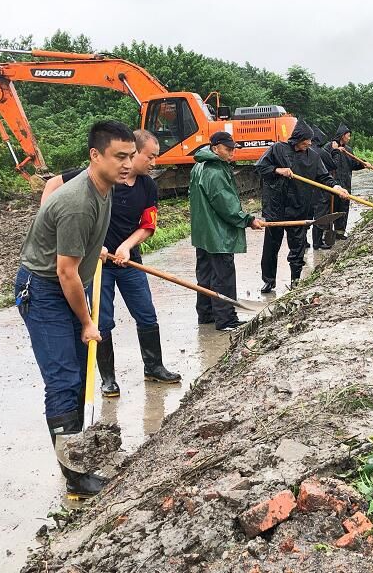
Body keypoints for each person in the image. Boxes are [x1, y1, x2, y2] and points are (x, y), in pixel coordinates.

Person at [15, 120, 135, 499]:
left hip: (68, 284)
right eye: (120, 156)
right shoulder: (77, 203)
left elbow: (74, 256)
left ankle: (77, 456)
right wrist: (87, 322)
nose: (127, 164)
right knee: (65, 379)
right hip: (47, 290)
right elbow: (65, 272)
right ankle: (75, 479)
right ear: (94, 155)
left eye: (131, 156)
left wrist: (90, 249)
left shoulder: (104, 188)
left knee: (79, 376)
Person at [41, 130, 181, 397]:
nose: (153, 163)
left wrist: (126, 246)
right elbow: (52, 185)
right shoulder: (99, 176)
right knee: (101, 320)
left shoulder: (147, 186)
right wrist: (88, 244)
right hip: (97, 266)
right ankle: (108, 379)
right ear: (133, 153)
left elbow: (148, 226)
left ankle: (154, 367)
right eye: (149, 157)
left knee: (146, 314)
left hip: (129, 263)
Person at [256, 119, 350, 293]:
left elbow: (324, 177)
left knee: (298, 245)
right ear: (297, 139)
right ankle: (269, 281)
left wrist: (336, 187)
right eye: (306, 141)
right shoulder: (277, 149)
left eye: (310, 141)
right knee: (271, 247)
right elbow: (260, 167)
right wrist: (278, 170)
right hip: (276, 208)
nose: (308, 144)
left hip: (299, 207)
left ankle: (295, 280)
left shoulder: (313, 156)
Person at [189, 131, 264, 331]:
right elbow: (226, 205)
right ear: (215, 149)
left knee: (204, 275)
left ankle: (206, 315)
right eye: (228, 149)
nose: (233, 153)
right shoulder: (214, 171)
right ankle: (226, 319)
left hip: (202, 232)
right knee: (223, 275)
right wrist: (248, 220)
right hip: (217, 234)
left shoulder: (199, 166)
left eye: (234, 149)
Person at [323, 123, 367, 240]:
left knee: (343, 208)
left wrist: (363, 164)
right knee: (330, 209)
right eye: (348, 135)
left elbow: (353, 164)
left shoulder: (348, 150)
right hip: (332, 185)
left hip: (345, 184)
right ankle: (326, 234)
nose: (349, 138)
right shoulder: (328, 147)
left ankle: (340, 232)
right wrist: (335, 151)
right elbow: (323, 164)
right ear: (342, 136)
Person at [309, 124, 337, 250]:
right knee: (320, 216)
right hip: (320, 189)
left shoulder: (306, 151)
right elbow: (332, 165)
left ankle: (303, 242)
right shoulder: (321, 152)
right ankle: (317, 242)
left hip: (306, 190)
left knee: (306, 217)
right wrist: (335, 151)